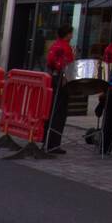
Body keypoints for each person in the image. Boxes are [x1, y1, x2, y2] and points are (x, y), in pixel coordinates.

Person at [44, 24, 75, 154]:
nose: (72, 36)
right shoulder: (65, 47)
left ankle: (46, 139)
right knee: (60, 114)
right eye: (71, 33)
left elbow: (49, 61)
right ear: (67, 34)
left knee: (51, 111)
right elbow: (67, 66)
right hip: (61, 82)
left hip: (53, 79)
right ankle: (54, 144)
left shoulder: (54, 45)